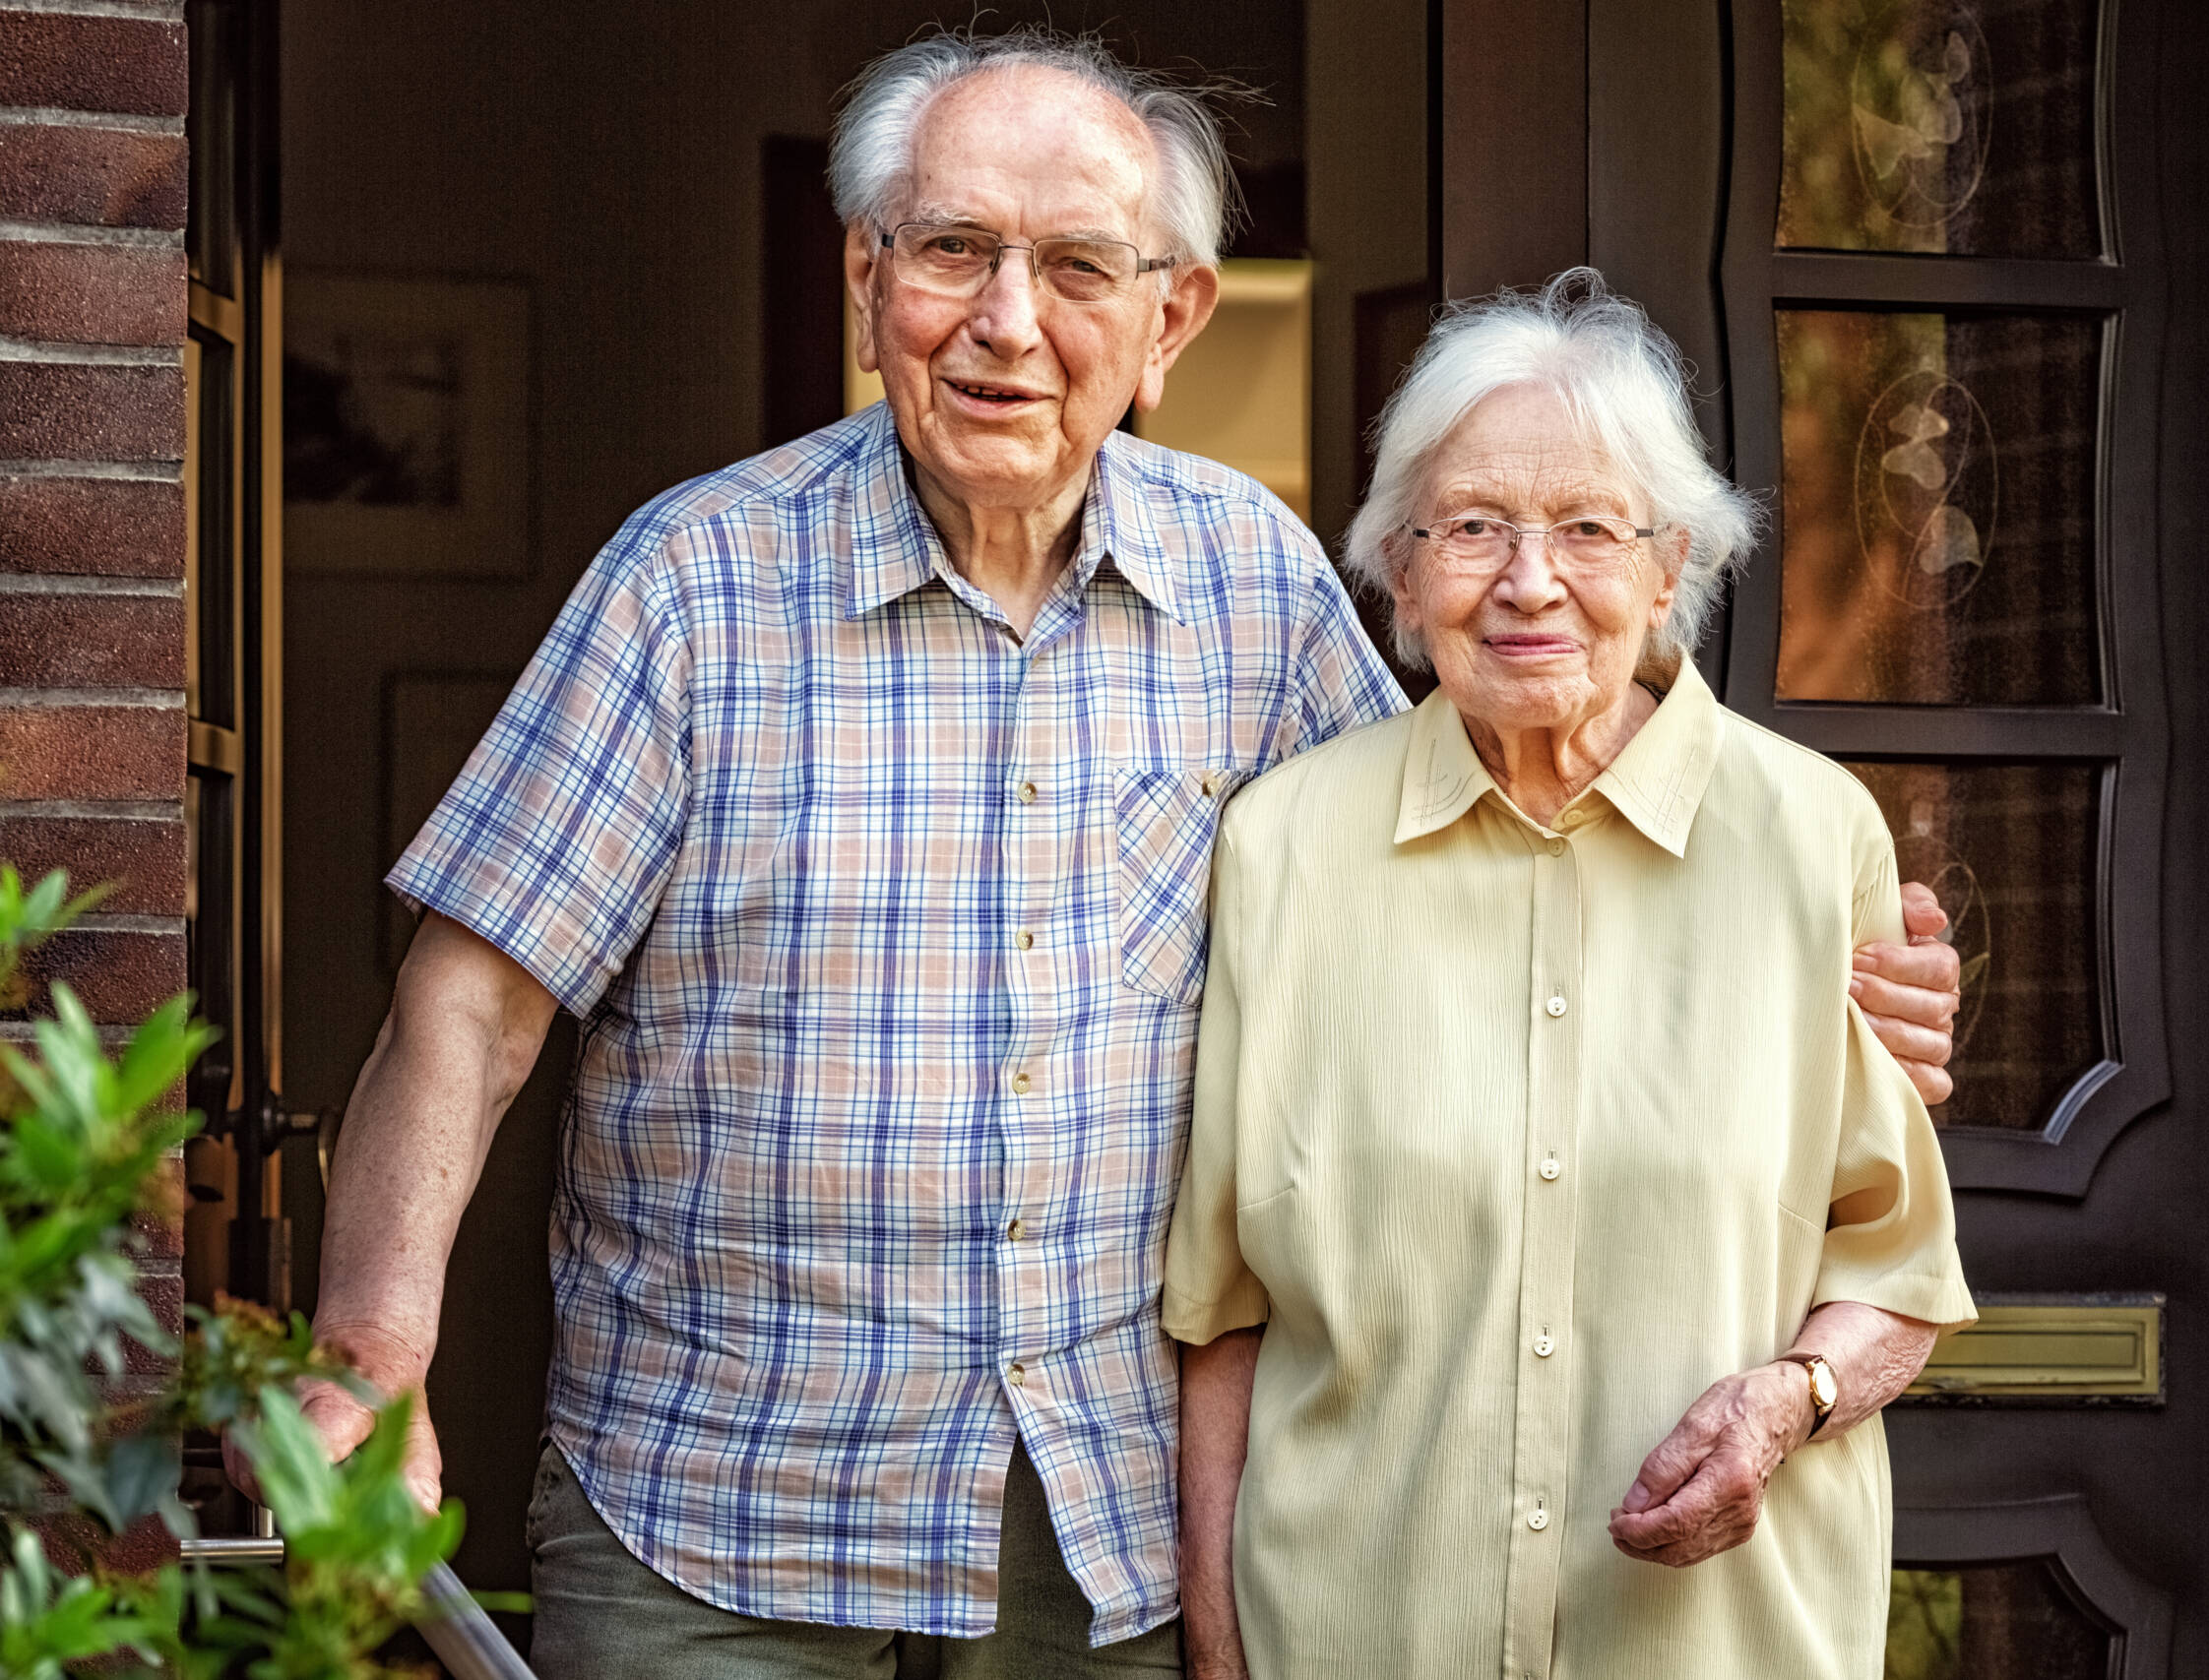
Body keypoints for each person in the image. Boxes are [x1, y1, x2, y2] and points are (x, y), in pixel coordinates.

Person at [254, 30, 1967, 1678]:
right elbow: (467, 1013)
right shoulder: (689, 587)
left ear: (1172, 321)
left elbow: (1477, 861)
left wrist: (1809, 978)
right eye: (953, 252)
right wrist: (376, 1362)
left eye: (1080, 266)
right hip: (721, 1520)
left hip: (1104, 1546)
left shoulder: (1260, 590)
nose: (1010, 322)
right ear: (866, 284)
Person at [1166, 271, 1979, 1680]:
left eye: (1590, 529)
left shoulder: (1808, 837)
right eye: (1473, 527)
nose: (1529, 581)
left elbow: (1897, 1268)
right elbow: (1226, 1316)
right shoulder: (1284, 846)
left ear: (1672, 571)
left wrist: (1792, 1398)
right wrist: (1221, 1653)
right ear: (1402, 572)